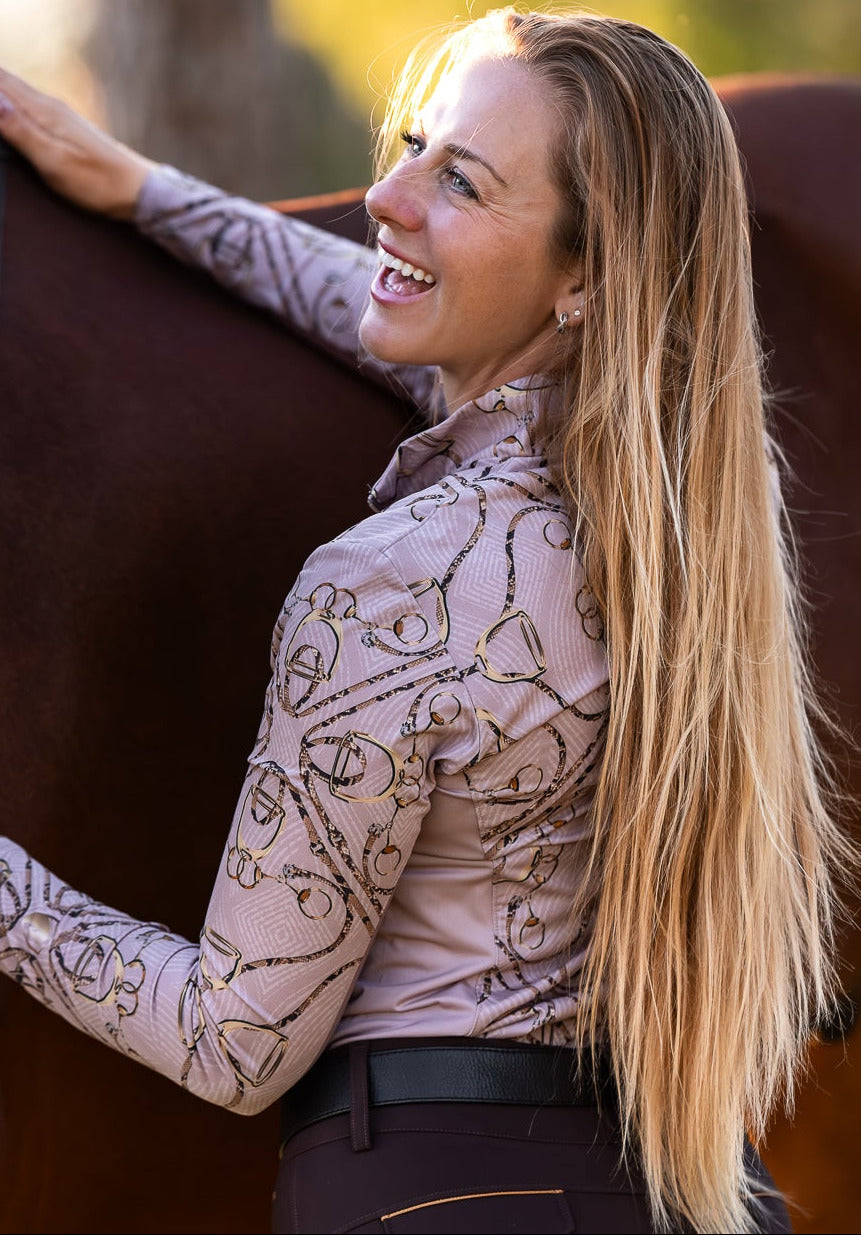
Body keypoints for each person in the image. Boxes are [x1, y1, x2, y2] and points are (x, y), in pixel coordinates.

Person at [0, 8, 853, 1233]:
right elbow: (406, 303)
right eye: (410, 144)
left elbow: (234, 1039)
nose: (385, 199)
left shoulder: (391, 583)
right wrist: (147, 194)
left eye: (459, 180)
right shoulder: (702, 495)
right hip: (694, 1186)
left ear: (585, 277)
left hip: (435, 1194)